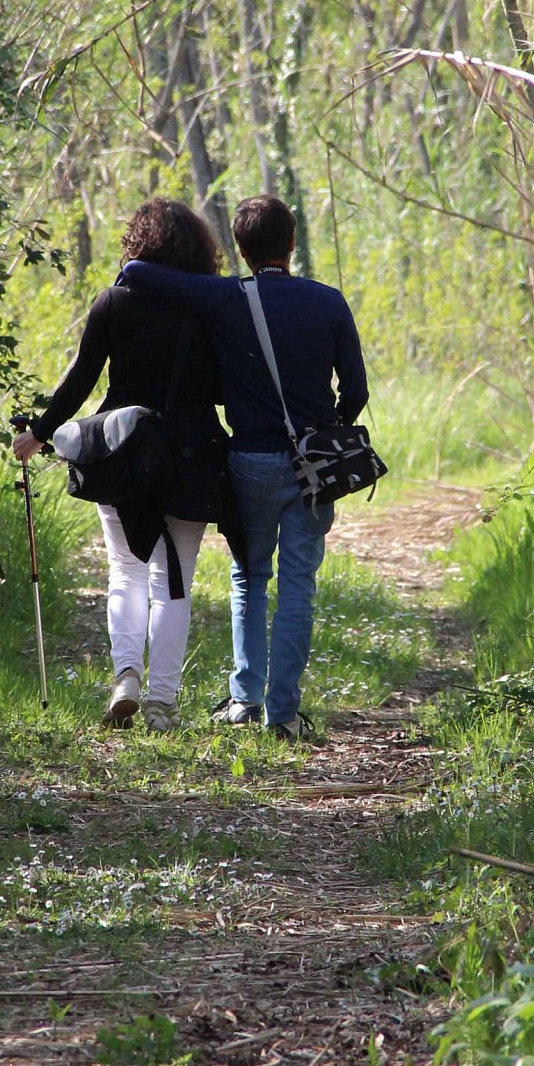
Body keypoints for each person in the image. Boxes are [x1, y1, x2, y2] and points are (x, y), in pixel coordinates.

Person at [120, 193, 368, 740]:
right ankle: (283, 714)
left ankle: (244, 700)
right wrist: (321, 433)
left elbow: (139, 271)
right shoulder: (328, 302)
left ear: (240, 247)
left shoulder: (228, 297)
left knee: (250, 577)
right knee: (299, 584)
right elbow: (356, 392)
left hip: (249, 460)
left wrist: (135, 261)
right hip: (314, 466)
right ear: (293, 243)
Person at [13, 199, 228, 732]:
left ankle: (126, 677)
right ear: (199, 250)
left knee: (126, 571)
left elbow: (80, 379)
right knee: (174, 579)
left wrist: (38, 435)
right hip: (191, 454)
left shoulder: (114, 302)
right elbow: (230, 388)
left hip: (120, 450)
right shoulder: (212, 308)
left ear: (139, 245)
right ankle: (162, 703)